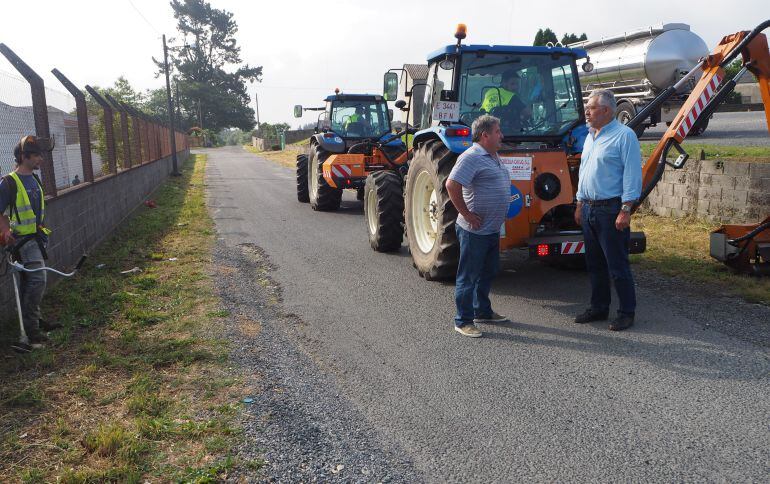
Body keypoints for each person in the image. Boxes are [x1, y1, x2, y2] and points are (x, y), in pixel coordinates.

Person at [574, 90, 642, 331]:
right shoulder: (591, 136)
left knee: (617, 265)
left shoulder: (624, 136)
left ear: (606, 110)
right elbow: (584, 172)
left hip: (611, 210)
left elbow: (632, 175)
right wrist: (580, 202)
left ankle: (626, 312)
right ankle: (599, 307)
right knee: (594, 264)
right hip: (590, 209)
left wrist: (625, 209)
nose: (587, 112)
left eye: (591, 108)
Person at [446, 115, 511, 338]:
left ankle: (482, 310)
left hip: (491, 229)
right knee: (468, 276)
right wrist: (466, 214)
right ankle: (462, 320)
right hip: (474, 231)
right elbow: (452, 185)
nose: (501, 135)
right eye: (497, 131)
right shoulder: (471, 156)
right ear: (485, 135)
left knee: (488, 271)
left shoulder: (493, 156)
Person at [0, 135, 61, 351]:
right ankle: (33, 335)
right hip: (21, 242)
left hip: (36, 239)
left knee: (29, 283)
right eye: (36, 156)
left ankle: (34, 324)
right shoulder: (8, 183)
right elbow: (1, 212)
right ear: (24, 156)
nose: (40, 160)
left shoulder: (34, 179)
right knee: (37, 281)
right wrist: (5, 231)